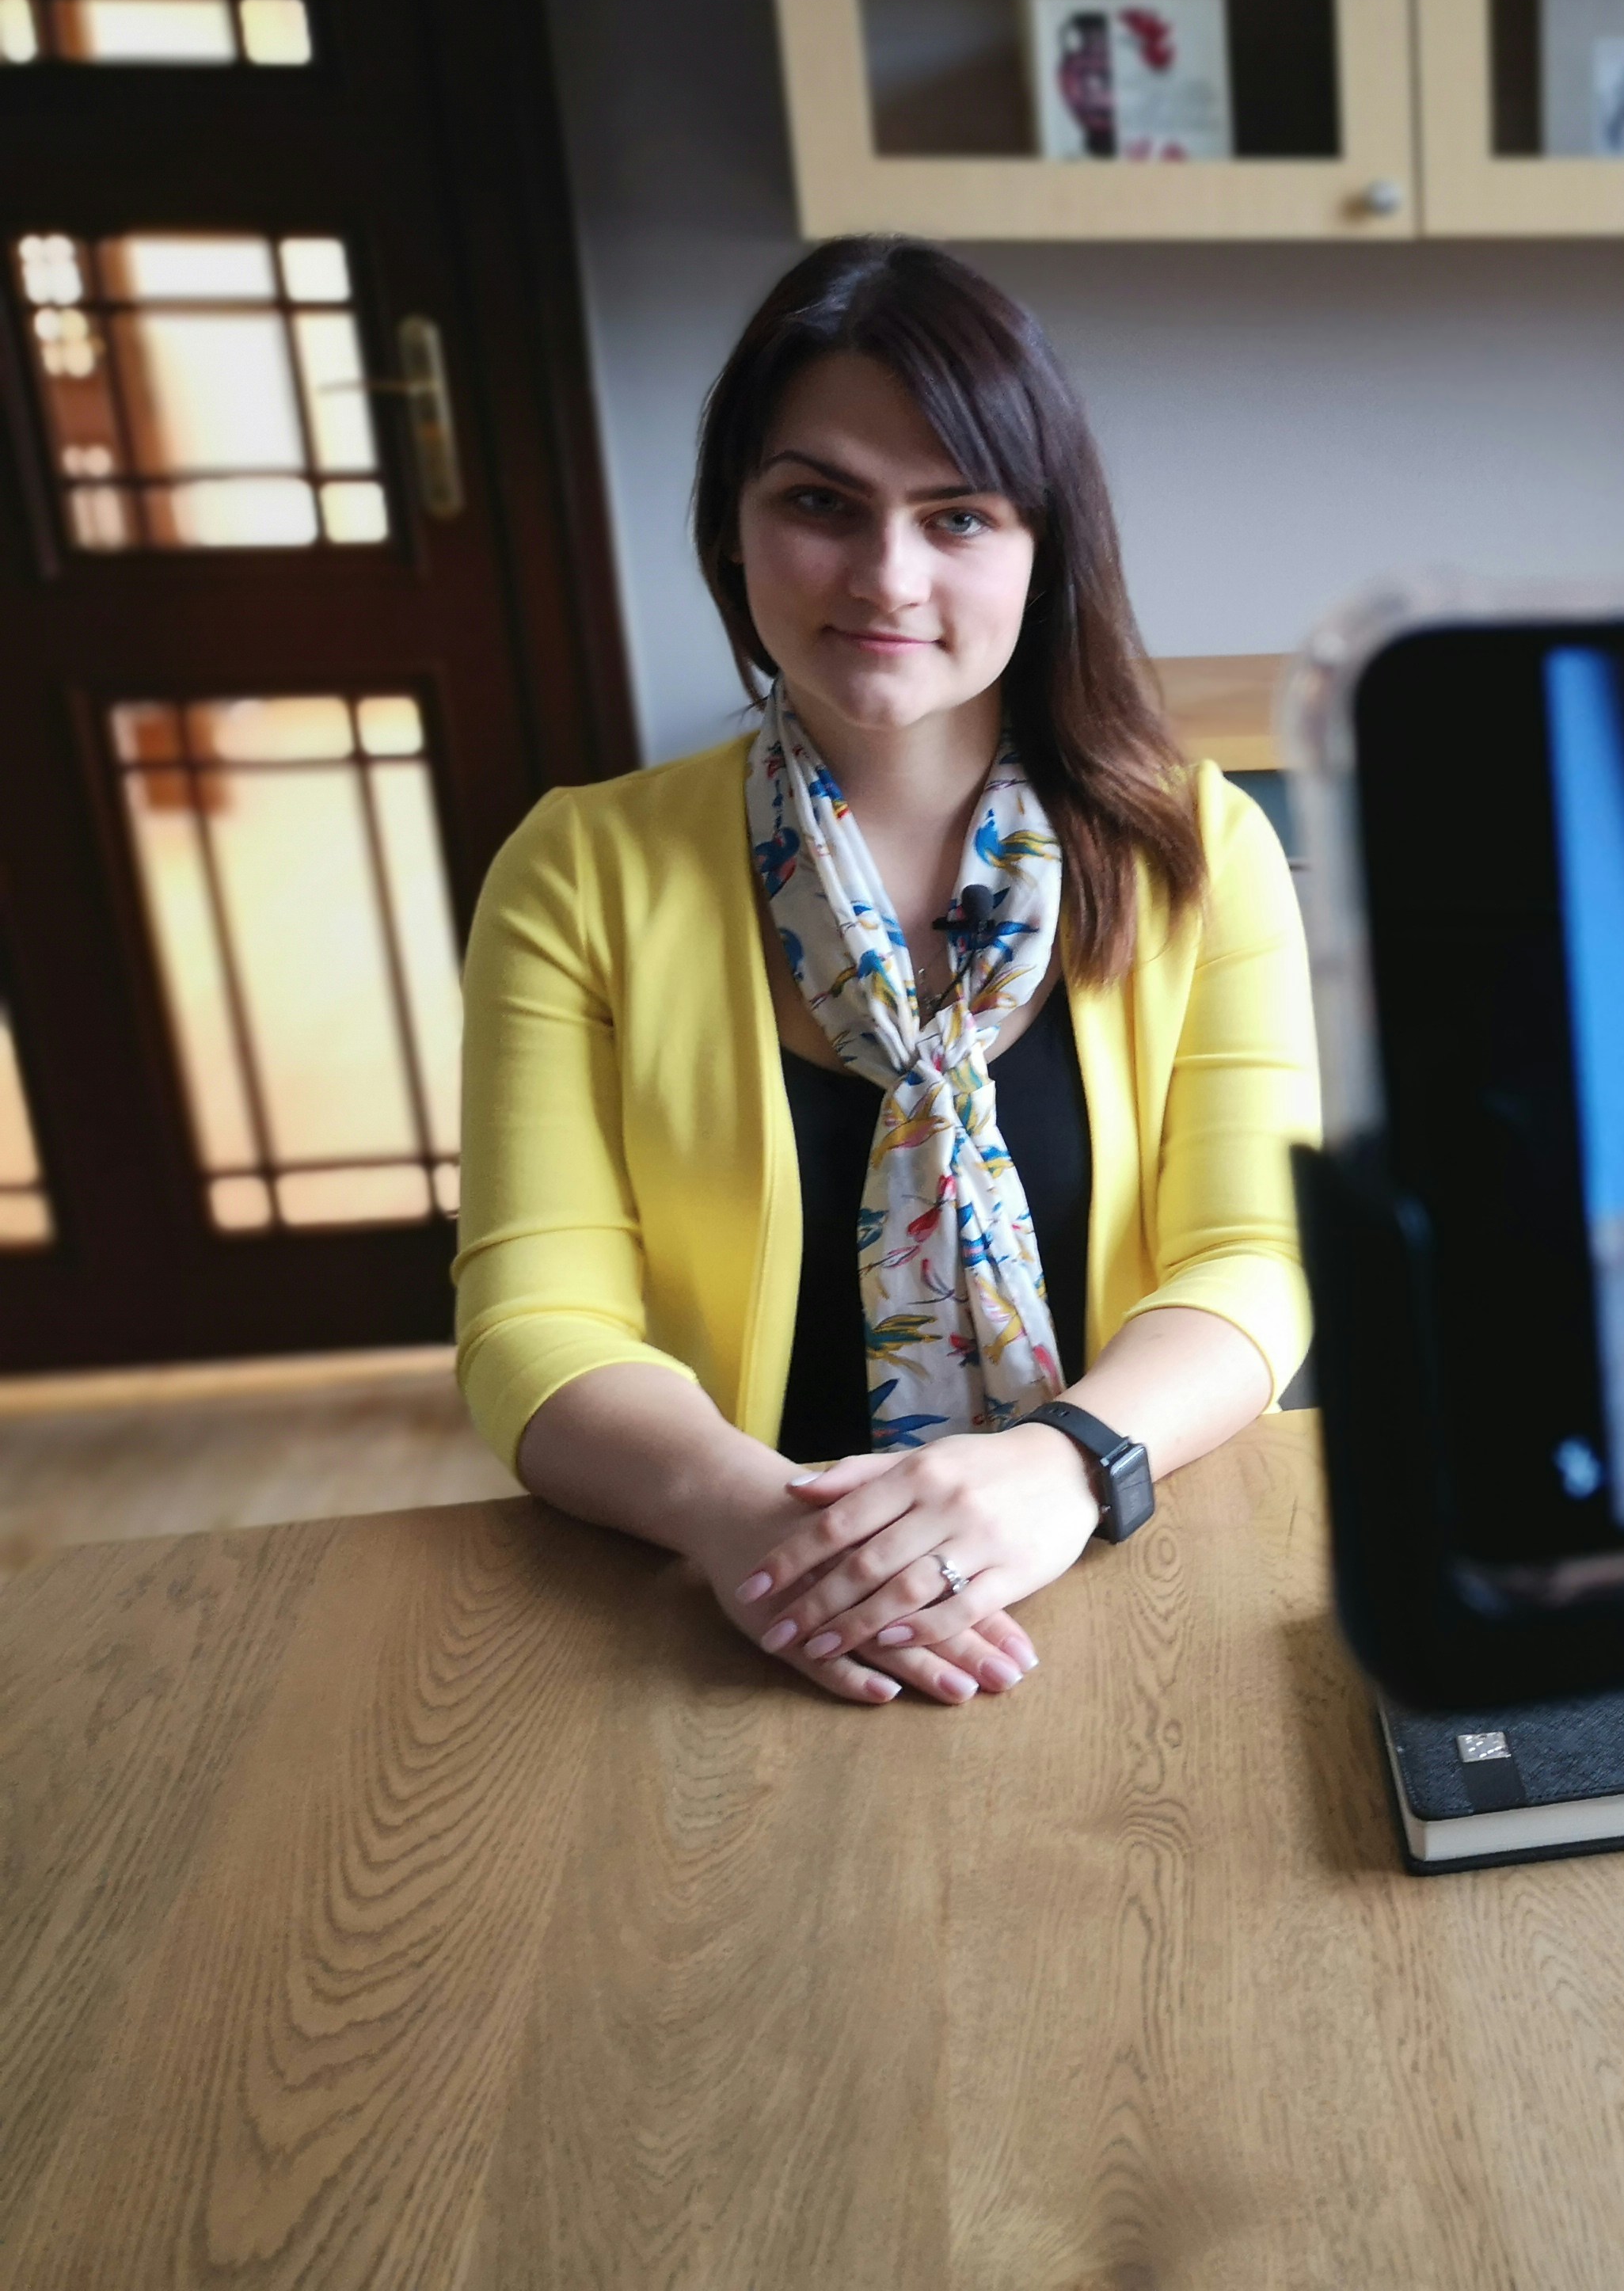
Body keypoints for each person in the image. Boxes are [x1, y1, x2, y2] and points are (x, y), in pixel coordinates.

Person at [454, 238, 1316, 1706]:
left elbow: (1252, 1257)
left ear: (1045, 550)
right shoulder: (575, 869)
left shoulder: (1200, 846)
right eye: (818, 503)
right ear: (732, 527)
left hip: (1111, 1568)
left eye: (958, 515)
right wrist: (749, 1522)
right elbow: (533, 1317)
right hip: (725, 1610)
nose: (886, 575)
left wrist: (1062, 1466)